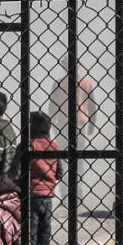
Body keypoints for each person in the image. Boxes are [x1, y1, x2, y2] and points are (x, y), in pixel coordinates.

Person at [11, 111, 63, 245]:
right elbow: (59, 172)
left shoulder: (27, 145)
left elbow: (14, 170)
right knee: (44, 238)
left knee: (30, 237)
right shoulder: (53, 146)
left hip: (30, 196)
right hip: (47, 197)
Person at [48, 72, 97, 204]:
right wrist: (92, 124)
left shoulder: (58, 82)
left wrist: (50, 125)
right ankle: (77, 191)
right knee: (78, 159)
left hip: (62, 123)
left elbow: (52, 106)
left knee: (63, 158)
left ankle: (66, 193)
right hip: (80, 124)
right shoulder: (86, 83)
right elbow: (92, 106)